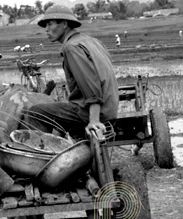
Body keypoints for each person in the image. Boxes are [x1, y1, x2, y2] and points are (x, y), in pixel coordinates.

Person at [24, 5, 118, 141]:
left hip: (95, 113)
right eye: (45, 25)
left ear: (64, 24)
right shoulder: (92, 41)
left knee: (35, 112)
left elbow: (90, 84)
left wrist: (94, 120)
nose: (46, 29)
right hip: (110, 109)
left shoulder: (71, 48)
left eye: (50, 24)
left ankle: (45, 155)